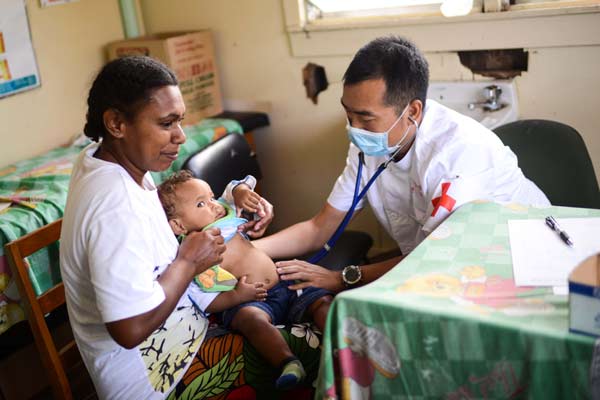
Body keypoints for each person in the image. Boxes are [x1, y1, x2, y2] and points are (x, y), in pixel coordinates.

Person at [254, 35, 550, 293]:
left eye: (365, 118)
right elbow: (319, 228)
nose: (353, 129)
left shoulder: (455, 156)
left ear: (413, 111)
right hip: (440, 263)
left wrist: (342, 278)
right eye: (348, 114)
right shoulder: (371, 143)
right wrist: (249, 250)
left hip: (523, 260)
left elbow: (434, 257)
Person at [59, 55, 271, 399]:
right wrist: (188, 264)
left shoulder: (107, 162)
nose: (181, 137)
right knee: (314, 350)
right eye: (166, 123)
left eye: (180, 121)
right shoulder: (113, 206)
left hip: (186, 337)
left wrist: (235, 195)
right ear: (116, 123)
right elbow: (129, 329)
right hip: (160, 380)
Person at [157, 170, 333, 389]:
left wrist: (241, 192)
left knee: (322, 300)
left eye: (211, 197)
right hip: (249, 301)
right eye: (201, 204)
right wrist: (237, 295)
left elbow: (235, 188)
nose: (213, 204)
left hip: (283, 282)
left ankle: (340, 346)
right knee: (250, 321)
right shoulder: (191, 255)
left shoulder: (224, 213)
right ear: (179, 226)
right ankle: (288, 363)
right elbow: (206, 301)